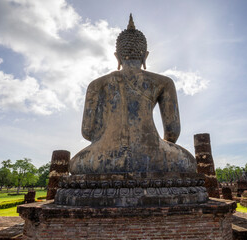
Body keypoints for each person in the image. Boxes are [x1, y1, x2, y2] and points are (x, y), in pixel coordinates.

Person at [69, 15, 196, 175]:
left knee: (74, 165)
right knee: (189, 163)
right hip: (154, 156)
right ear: (145, 56)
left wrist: (105, 141)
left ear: (117, 56)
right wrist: (161, 148)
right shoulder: (164, 82)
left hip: (103, 157)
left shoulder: (97, 84)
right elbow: (172, 131)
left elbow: (87, 131)